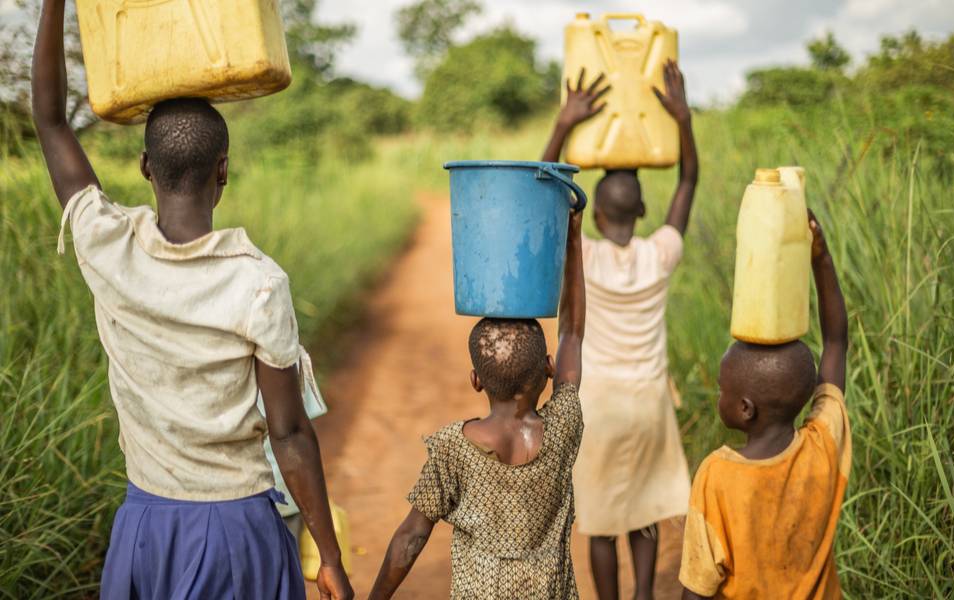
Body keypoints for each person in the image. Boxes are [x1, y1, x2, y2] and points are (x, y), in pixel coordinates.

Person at [31, 1, 352, 598]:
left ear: (146, 166)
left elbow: (50, 120)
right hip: (239, 528)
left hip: (145, 527)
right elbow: (289, 433)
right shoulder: (257, 283)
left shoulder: (108, 246)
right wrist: (328, 555)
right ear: (223, 171)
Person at [368, 208, 587, 599]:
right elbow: (572, 334)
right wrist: (572, 240)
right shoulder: (563, 426)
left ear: (475, 380)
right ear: (549, 369)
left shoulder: (453, 450)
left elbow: (411, 537)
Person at [540, 60, 698, 600]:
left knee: (603, 516)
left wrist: (565, 123)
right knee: (646, 505)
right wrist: (683, 119)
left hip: (599, 403)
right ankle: (644, 596)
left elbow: (542, 191)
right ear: (643, 211)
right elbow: (689, 181)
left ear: (594, 213)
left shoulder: (583, 256)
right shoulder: (660, 254)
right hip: (651, 399)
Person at [679, 213, 849, 599]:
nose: (718, 395)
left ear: (745, 409)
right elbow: (836, 343)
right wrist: (820, 258)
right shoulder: (823, 444)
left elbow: (697, 589)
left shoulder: (717, 477)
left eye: (723, 389)